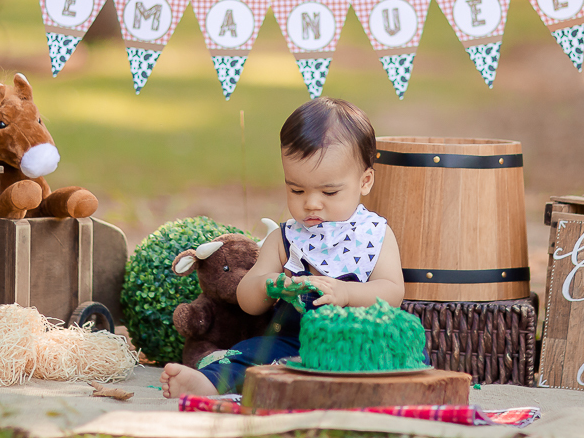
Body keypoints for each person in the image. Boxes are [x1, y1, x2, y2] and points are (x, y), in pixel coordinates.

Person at [161, 97, 405, 397]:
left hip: (356, 337)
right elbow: (247, 297)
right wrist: (270, 285)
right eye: (296, 189)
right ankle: (209, 382)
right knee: (247, 353)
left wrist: (346, 293)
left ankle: (323, 380)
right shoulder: (285, 237)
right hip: (290, 339)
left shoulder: (374, 234)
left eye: (329, 191)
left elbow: (392, 292)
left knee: (399, 357)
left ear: (365, 181)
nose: (311, 203)